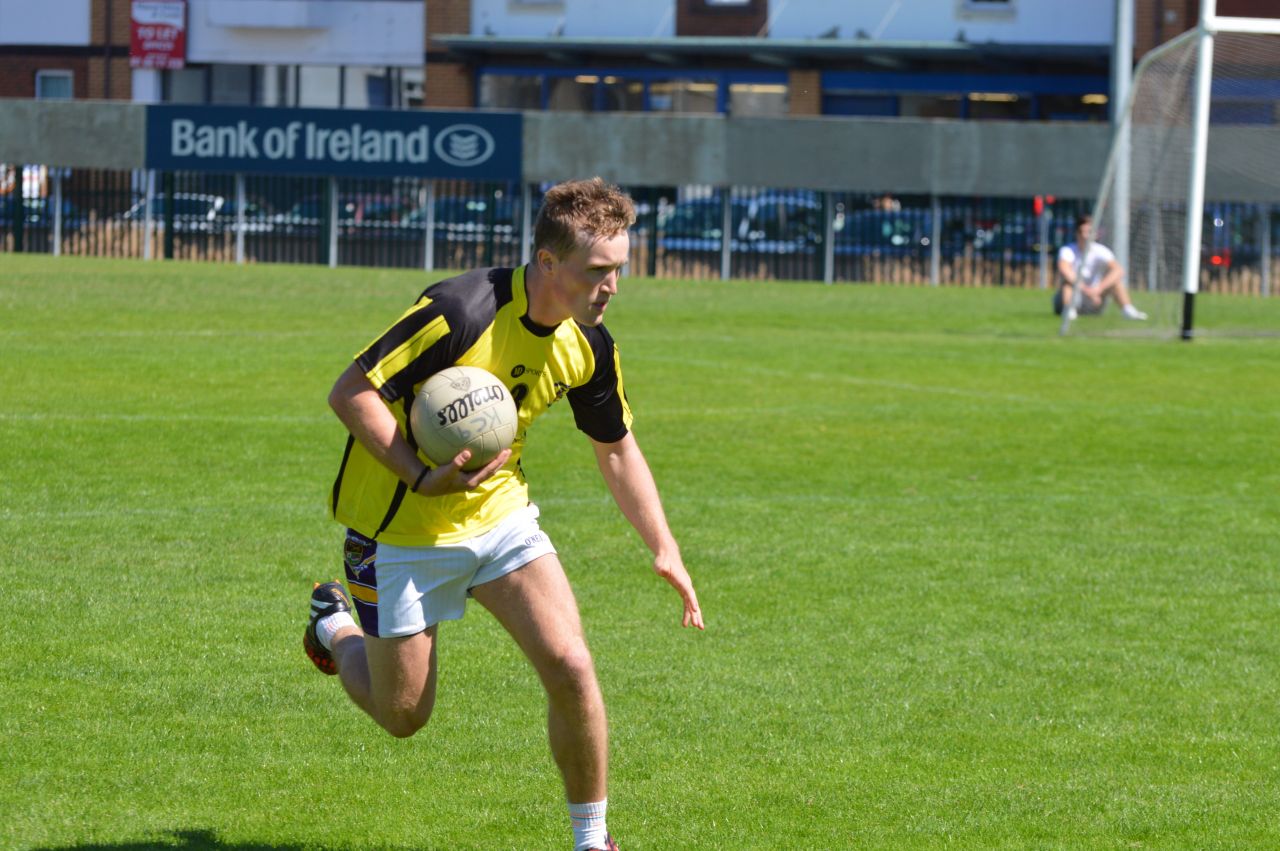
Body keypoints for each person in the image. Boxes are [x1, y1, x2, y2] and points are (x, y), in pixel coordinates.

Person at [303, 177, 705, 851]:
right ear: (548, 263)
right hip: (398, 529)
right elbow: (351, 392)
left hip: (501, 518)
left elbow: (615, 448)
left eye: (619, 272)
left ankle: (592, 839)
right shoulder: (458, 311)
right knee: (402, 714)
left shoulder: (589, 342)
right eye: (597, 272)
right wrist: (418, 474)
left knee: (572, 665)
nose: (611, 288)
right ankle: (335, 625)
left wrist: (664, 547)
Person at [1054, 214, 1147, 321]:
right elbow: (1064, 270)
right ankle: (1069, 310)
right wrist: (1085, 289)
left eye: (1089, 232)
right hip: (1076, 295)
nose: (1085, 236)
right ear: (1076, 233)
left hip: (1095, 298)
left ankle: (1128, 310)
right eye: (1081, 232)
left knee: (1116, 282)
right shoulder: (1068, 250)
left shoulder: (1101, 251)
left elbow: (1118, 270)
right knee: (1067, 284)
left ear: (1095, 234)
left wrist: (1098, 289)